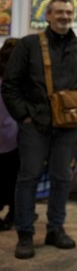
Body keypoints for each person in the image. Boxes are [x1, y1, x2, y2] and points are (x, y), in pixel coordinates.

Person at [2, 0, 77, 259]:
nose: (64, 16)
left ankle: (56, 229)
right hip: (35, 125)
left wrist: (74, 108)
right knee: (27, 178)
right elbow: (10, 85)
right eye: (59, 12)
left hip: (68, 126)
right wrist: (25, 117)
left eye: (68, 12)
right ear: (48, 15)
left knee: (62, 178)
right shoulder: (29, 45)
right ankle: (25, 234)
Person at [0, 38, 20, 231]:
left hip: (10, 136)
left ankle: (14, 212)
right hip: (14, 137)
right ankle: (15, 212)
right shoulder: (22, 79)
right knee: (14, 178)